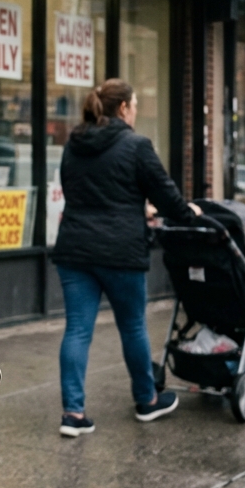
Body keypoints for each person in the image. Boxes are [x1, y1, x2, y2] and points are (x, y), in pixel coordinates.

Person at [52, 78, 202, 438]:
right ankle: (147, 400)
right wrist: (188, 213)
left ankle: (73, 414)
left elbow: (77, 189)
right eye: (134, 106)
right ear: (123, 109)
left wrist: (134, 205)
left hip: (75, 249)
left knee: (76, 330)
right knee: (133, 326)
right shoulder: (136, 145)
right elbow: (166, 194)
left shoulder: (74, 142)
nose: (135, 112)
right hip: (120, 251)